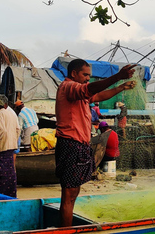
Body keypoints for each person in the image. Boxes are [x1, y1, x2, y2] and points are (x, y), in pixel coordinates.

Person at [55, 58, 137, 227]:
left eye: (89, 76)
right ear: (74, 73)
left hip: (79, 145)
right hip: (71, 145)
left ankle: (66, 228)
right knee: (69, 195)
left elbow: (98, 95)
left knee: (73, 193)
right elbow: (91, 89)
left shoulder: (80, 94)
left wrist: (121, 87)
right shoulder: (69, 87)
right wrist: (118, 77)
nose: (88, 78)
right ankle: (66, 231)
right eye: (85, 75)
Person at [0, 98, 21, 198]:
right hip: (11, 147)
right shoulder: (11, 113)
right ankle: (9, 194)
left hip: (2, 148)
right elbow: (18, 129)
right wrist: (13, 141)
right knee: (9, 173)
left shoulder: (1, 114)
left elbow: (2, 131)